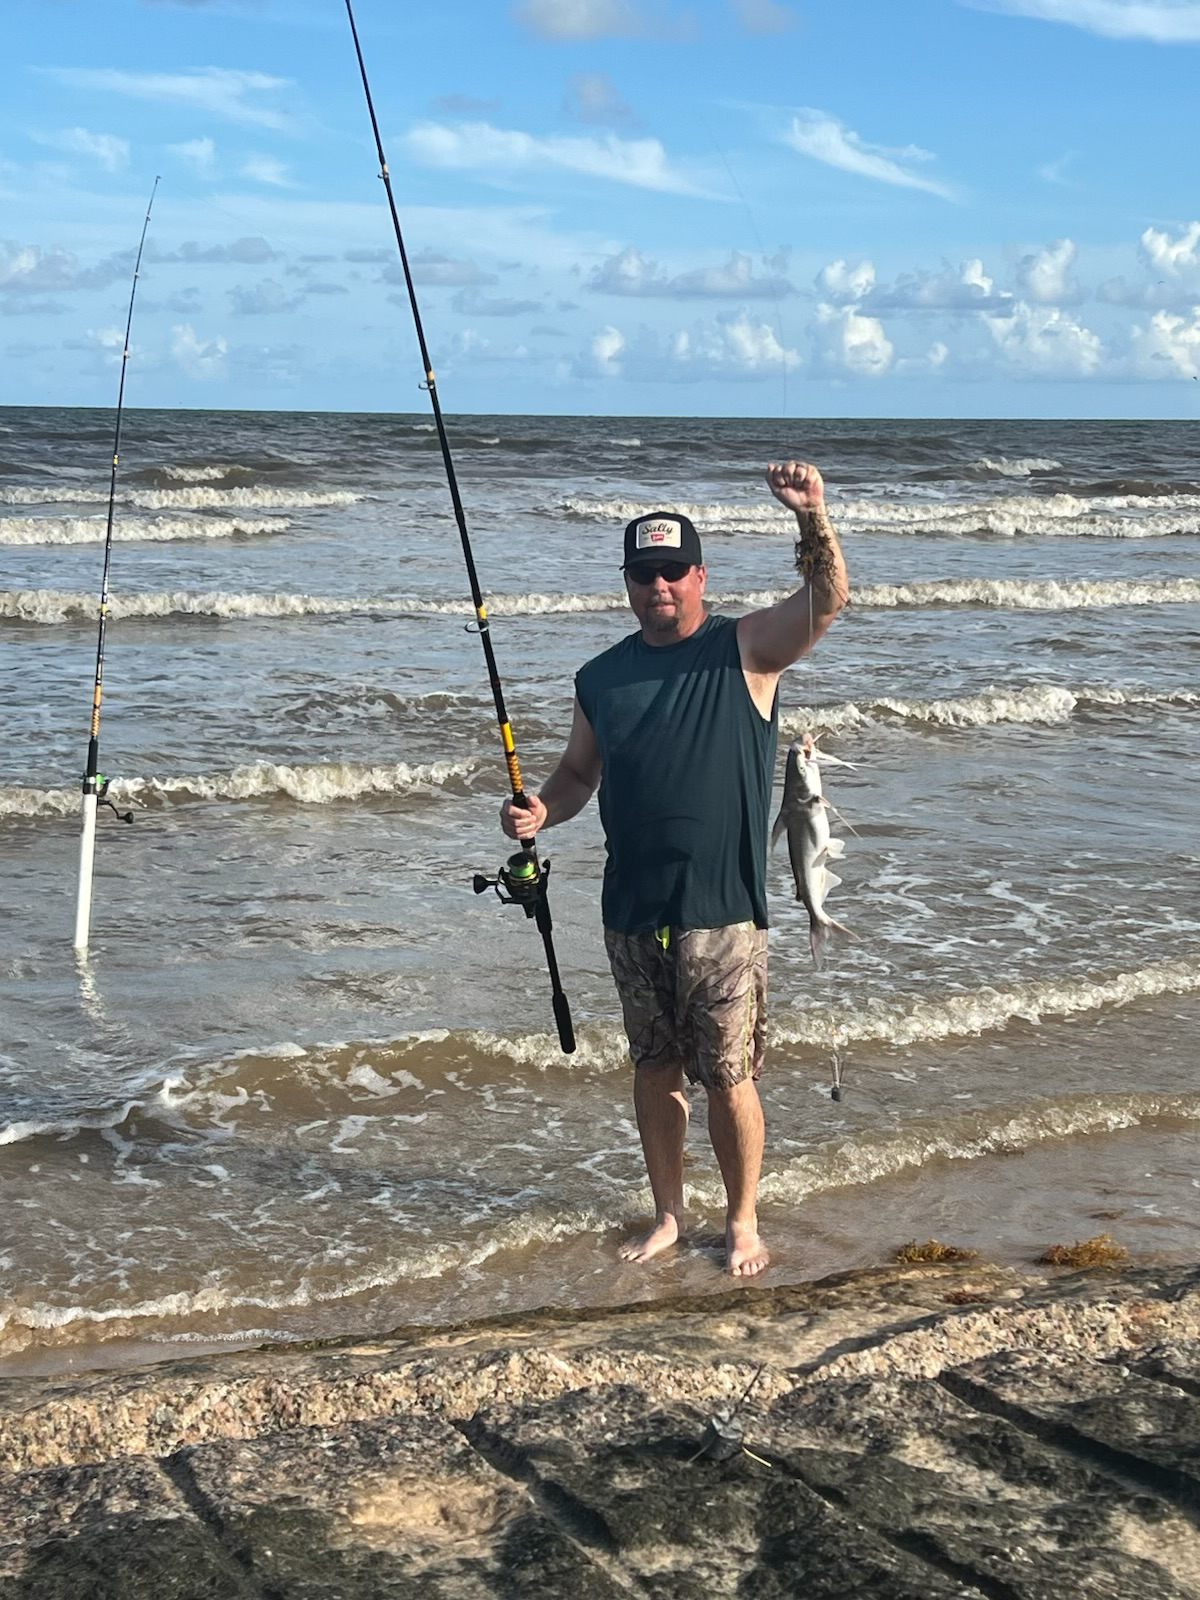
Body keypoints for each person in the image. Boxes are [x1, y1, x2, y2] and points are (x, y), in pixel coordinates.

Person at [501, 460, 849, 1276]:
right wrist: (541, 811)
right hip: (630, 906)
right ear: (628, 582)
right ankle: (667, 1214)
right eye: (643, 572)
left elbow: (826, 603)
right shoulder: (600, 677)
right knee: (654, 1067)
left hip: (723, 909)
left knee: (729, 1075)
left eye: (672, 571)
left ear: (699, 576)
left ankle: (742, 1222)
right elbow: (579, 774)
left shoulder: (746, 648)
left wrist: (812, 517)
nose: (659, 585)